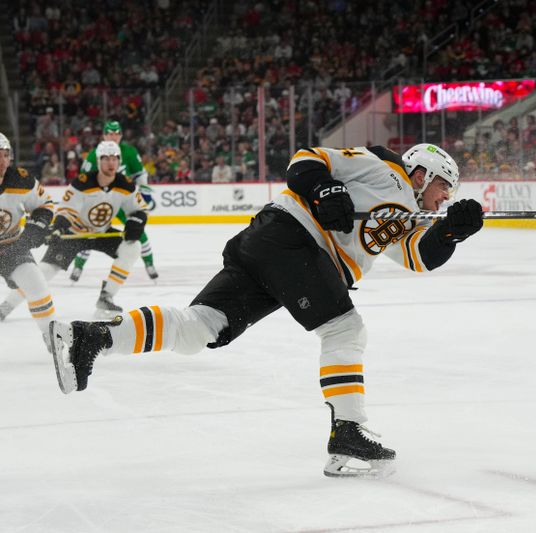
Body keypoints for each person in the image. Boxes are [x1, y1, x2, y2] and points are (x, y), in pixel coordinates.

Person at [47, 144, 484, 478]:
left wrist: (452, 233)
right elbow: (306, 161)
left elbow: (420, 257)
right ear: (423, 173)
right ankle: (347, 432)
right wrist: (325, 188)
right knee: (344, 330)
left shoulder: (409, 216)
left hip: (276, 249)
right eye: (445, 189)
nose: (444, 200)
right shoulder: (380, 165)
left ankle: (90, 337)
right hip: (292, 238)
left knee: (202, 328)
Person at [0, 141, 148, 318]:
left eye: (115, 158)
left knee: (132, 248)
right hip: (73, 233)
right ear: (99, 161)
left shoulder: (126, 184)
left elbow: (139, 210)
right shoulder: (83, 182)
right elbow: (66, 210)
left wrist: (136, 221)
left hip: (101, 233)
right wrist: (59, 228)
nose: (111, 163)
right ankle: (6, 307)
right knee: (43, 273)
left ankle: (106, 296)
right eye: (106, 158)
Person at [71, 121, 158, 281]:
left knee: (138, 230)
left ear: (121, 136)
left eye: (117, 134)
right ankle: (78, 267)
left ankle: (149, 264)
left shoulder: (130, 152)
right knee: (89, 233)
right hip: (101, 202)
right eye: (110, 133)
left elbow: (140, 173)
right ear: (104, 135)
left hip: (124, 201)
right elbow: (83, 178)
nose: (113, 137)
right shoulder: (94, 153)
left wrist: (144, 191)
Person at [0, 132, 57, 342]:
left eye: (5, 155)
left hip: (12, 246)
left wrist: (36, 229)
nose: (2, 161)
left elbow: (44, 205)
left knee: (36, 283)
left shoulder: (21, 180)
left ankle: (52, 336)